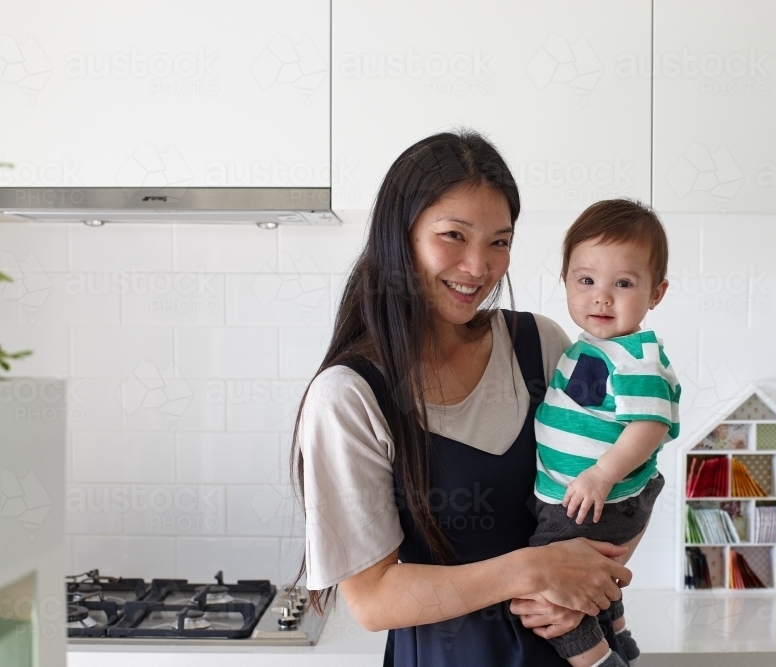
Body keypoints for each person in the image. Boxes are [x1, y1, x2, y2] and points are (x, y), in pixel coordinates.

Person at [288, 131, 633, 666]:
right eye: (453, 235)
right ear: (398, 236)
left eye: (499, 241)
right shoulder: (350, 396)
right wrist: (536, 571)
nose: (479, 267)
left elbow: (620, 478)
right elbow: (373, 599)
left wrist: (590, 584)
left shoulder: (540, 346)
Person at [529, 200, 681, 667]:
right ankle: (619, 637)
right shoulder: (593, 347)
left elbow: (650, 425)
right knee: (593, 577)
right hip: (578, 496)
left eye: (624, 283)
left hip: (596, 499)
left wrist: (601, 474)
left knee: (547, 587)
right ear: (566, 280)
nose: (602, 297)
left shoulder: (637, 356)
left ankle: (597, 659)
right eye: (586, 280)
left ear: (656, 293)